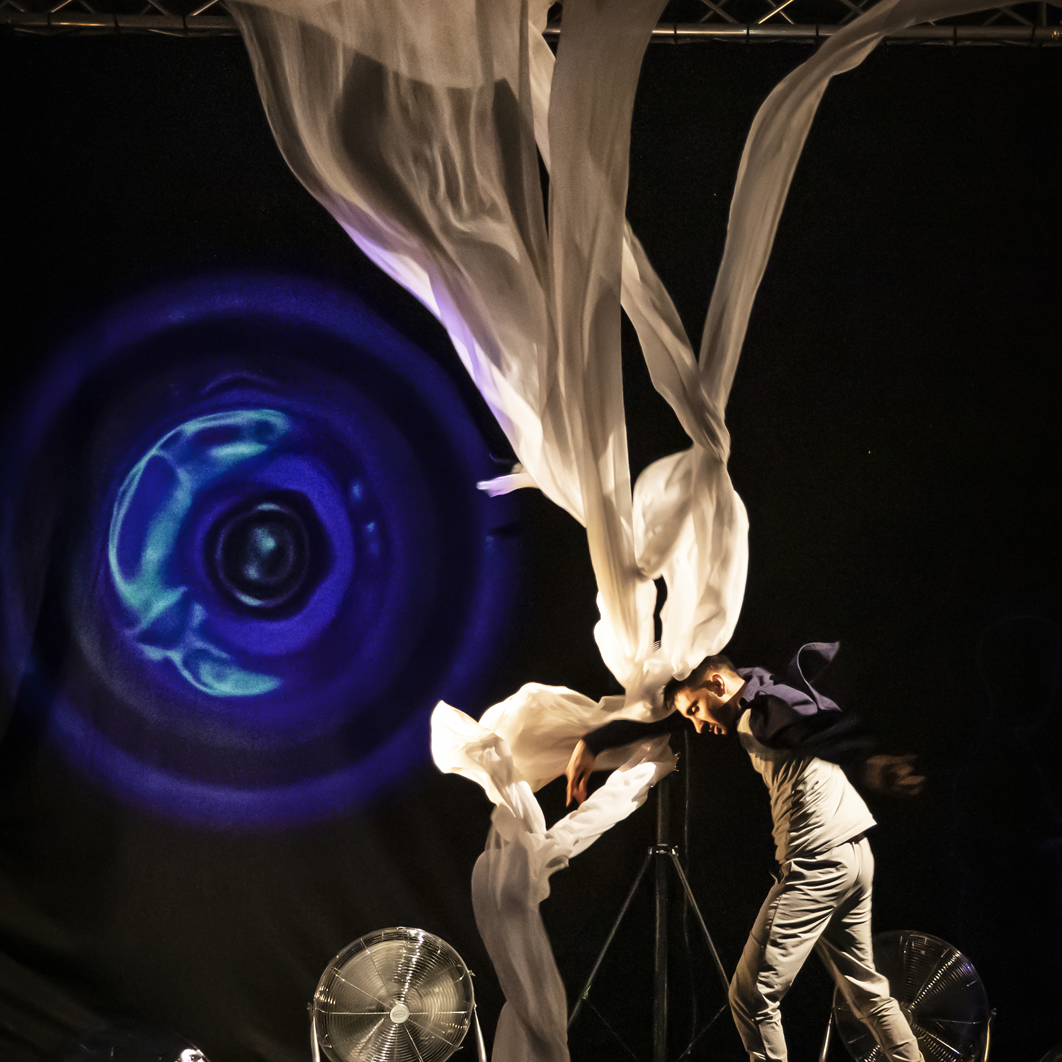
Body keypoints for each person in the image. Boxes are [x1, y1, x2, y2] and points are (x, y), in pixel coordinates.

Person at [564, 642, 926, 1062]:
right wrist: (596, 740)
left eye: (696, 710)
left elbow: (817, 729)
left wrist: (871, 763)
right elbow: (671, 722)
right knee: (868, 993)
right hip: (855, 853)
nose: (696, 727)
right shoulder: (760, 693)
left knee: (751, 1000)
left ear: (717, 683)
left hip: (819, 860)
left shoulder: (765, 709)